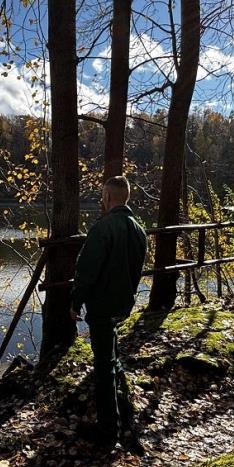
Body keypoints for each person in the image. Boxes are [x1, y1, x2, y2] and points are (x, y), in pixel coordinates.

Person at [70, 175, 148, 451]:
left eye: (103, 196)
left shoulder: (103, 228)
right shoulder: (139, 230)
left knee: (103, 366)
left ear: (107, 197)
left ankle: (108, 432)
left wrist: (75, 301)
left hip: (102, 307)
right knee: (112, 357)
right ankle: (126, 411)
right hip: (123, 305)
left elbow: (87, 271)